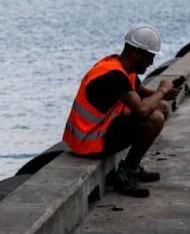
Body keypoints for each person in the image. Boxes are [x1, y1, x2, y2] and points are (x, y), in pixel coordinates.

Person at [62, 24, 182, 198]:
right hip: (90, 142)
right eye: (149, 57)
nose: (151, 63)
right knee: (154, 118)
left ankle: (133, 167)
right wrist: (162, 91)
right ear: (136, 53)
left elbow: (146, 95)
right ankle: (127, 173)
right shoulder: (114, 75)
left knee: (161, 107)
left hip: (96, 134)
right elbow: (142, 110)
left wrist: (164, 93)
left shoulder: (124, 69)